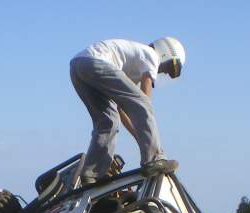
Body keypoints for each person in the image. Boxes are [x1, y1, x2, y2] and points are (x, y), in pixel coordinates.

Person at [69, 37, 186, 185]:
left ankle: (92, 174)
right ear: (166, 53)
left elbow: (122, 109)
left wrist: (140, 136)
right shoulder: (151, 55)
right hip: (95, 62)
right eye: (169, 67)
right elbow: (143, 101)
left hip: (78, 67)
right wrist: (148, 142)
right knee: (142, 102)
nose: (163, 72)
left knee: (108, 121)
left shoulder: (132, 70)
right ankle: (154, 159)